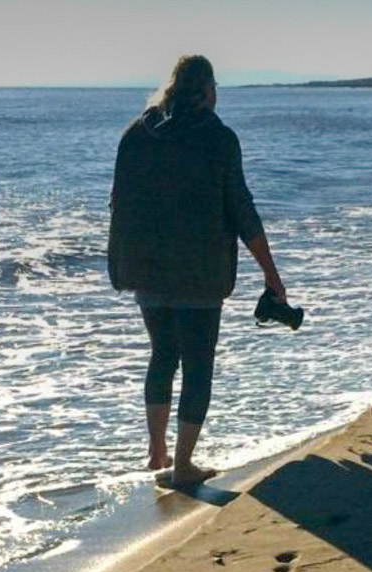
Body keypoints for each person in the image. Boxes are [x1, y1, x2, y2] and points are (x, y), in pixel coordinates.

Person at [108, 55, 286, 489]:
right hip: (201, 274)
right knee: (198, 366)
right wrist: (272, 276)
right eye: (215, 87)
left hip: (148, 271)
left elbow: (118, 204)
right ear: (206, 90)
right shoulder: (218, 138)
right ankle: (183, 465)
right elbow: (242, 210)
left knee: (162, 356)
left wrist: (125, 264)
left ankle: (157, 454)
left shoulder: (137, 134)